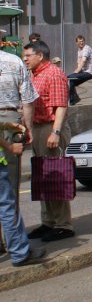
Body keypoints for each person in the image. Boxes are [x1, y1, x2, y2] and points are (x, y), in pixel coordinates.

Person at [22, 41, 74, 242]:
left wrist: (56, 132)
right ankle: (48, 222)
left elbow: (61, 106)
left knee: (54, 175)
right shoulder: (34, 74)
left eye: (28, 55)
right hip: (38, 128)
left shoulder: (54, 73)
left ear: (40, 56)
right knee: (42, 178)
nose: (25, 59)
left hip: (50, 127)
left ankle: (63, 225)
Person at [0, 49, 47, 266]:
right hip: (8, 119)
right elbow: (28, 100)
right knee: (7, 197)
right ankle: (19, 250)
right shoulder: (13, 61)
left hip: (6, 124)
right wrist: (16, 139)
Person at [67, 35, 92, 106]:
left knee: (70, 78)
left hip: (89, 72)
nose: (82, 43)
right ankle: (75, 99)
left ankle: (72, 100)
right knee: (71, 81)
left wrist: (76, 71)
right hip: (83, 72)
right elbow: (79, 63)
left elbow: (83, 60)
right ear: (76, 43)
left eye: (82, 41)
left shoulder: (86, 48)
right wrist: (76, 72)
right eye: (80, 42)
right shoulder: (79, 50)